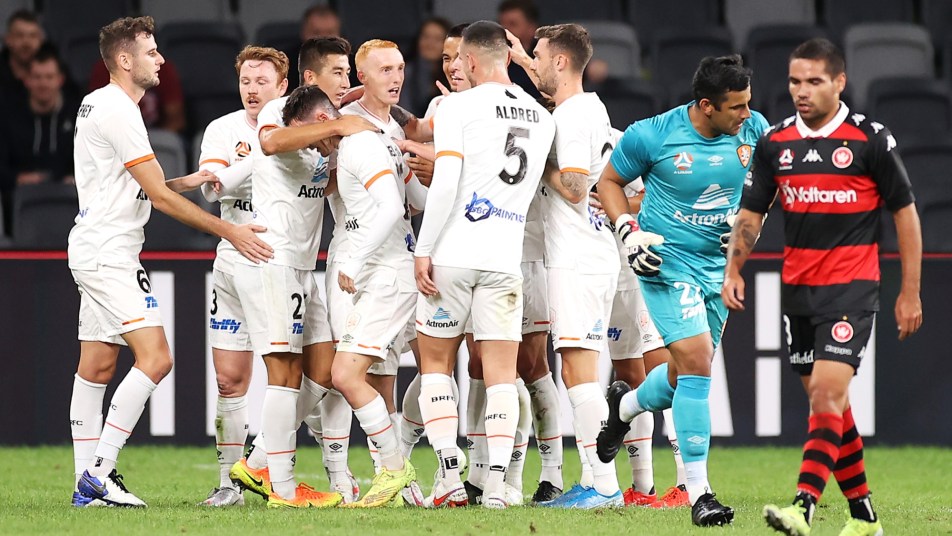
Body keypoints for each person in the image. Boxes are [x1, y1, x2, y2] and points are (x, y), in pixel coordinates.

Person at [69, 16, 273, 508]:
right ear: (125, 60)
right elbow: (158, 197)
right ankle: (98, 473)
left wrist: (189, 181)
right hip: (109, 251)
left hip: (96, 244)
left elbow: (138, 185)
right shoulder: (120, 110)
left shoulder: (96, 102)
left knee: (96, 366)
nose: (161, 59)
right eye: (151, 52)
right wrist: (230, 231)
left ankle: (84, 483)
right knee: (157, 358)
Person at [722, 38, 922, 536]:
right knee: (831, 406)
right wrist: (733, 270)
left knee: (828, 396)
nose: (801, 91)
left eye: (814, 81)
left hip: (852, 288)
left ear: (839, 82)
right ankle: (864, 518)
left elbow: (905, 213)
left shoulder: (869, 139)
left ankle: (803, 507)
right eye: (795, 81)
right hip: (798, 292)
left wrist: (910, 291)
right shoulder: (776, 143)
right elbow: (751, 213)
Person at [594, 54, 769, 526]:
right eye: (737, 106)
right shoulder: (652, 135)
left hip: (717, 267)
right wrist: (627, 231)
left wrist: (748, 228)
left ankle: (624, 407)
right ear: (707, 105)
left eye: (748, 103)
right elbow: (609, 182)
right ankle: (700, 493)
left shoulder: (754, 130)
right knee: (696, 362)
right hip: (665, 262)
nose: (747, 114)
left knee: (683, 372)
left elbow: (766, 190)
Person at [225, 37, 376, 509]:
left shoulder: (324, 124)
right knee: (284, 374)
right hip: (273, 260)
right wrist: (340, 124)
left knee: (325, 370)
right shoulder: (281, 110)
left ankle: (257, 463)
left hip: (302, 267)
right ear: (311, 78)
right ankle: (283, 489)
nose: (345, 81)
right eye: (338, 72)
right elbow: (271, 143)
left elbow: (319, 181)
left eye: (348, 72)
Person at [413, 20, 555, 509]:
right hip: (505, 258)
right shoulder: (542, 117)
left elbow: (446, 181)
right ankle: (496, 484)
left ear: (470, 60)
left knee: (436, 365)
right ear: (507, 57)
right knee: (501, 376)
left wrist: (423, 248)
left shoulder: (458, 106)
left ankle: (450, 477)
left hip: (453, 253)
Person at [517, 23, 623, 509]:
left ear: (560, 61)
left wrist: (538, 162)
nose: (535, 63)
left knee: (579, 373)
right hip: (593, 254)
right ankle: (594, 480)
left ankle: (604, 486)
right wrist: (522, 62)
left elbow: (578, 189)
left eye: (538, 56)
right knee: (580, 370)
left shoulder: (574, 114)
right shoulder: (588, 106)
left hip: (576, 258)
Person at [193, 45, 289, 507]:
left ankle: (281, 473)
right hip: (231, 261)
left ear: (282, 86)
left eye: (262, 82)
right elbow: (212, 189)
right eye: (246, 81)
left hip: (274, 260)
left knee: (287, 376)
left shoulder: (294, 128)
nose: (252, 90)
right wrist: (227, 174)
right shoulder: (222, 128)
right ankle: (228, 484)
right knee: (229, 380)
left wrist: (241, 172)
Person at [328, 79, 429, 506]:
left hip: (383, 273)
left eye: (398, 68)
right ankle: (410, 475)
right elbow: (419, 199)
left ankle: (395, 467)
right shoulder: (389, 141)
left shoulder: (360, 143)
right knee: (413, 373)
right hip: (399, 265)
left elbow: (391, 207)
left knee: (344, 376)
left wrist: (352, 261)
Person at [0, 44, 80, 234]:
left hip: (70, 197)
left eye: (49, 77)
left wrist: (76, 178)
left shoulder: (79, 115)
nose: (43, 84)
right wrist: (17, 179)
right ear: (27, 80)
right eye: (37, 77)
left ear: (60, 80)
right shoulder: (8, 116)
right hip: (19, 198)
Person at [88, 56, 185, 133]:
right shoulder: (105, 68)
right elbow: (96, 119)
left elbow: (176, 119)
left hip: (155, 136)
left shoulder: (161, 68)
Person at [400, 17, 450, 116]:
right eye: (426, 37)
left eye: (437, 39)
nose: (430, 44)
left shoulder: (454, 74)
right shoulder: (404, 73)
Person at [497, 0, 540, 98]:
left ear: (531, 27)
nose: (505, 30)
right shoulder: (496, 59)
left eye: (513, 24)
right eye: (501, 24)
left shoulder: (546, 57)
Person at [0, 10, 45, 105]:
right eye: (19, 36)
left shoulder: (53, 72)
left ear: (41, 40)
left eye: (33, 36)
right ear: (7, 39)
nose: (26, 43)